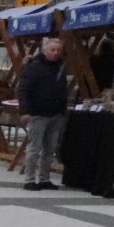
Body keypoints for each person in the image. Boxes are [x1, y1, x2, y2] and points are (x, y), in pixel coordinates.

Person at [18, 35, 69, 191]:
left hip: (56, 113)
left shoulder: (60, 66)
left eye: (58, 50)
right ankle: (29, 179)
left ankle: (45, 178)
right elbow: (23, 90)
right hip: (38, 113)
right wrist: (25, 111)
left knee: (49, 149)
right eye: (53, 50)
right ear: (45, 50)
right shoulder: (34, 66)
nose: (55, 53)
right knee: (34, 148)